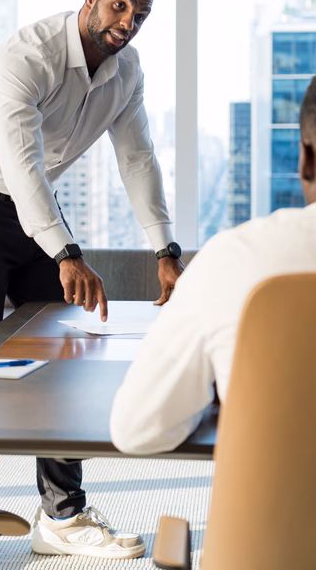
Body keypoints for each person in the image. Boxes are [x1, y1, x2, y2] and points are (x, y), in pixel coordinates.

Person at [0, 0, 184, 558]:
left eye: (140, 15)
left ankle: (62, 517)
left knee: (65, 351)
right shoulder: (25, 57)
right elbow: (22, 164)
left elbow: (137, 157)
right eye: (120, 4)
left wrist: (165, 249)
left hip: (37, 214)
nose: (128, 22)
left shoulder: (126, 71)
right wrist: (67, 252)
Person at [110, 77, 316, 456]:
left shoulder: (232, 259)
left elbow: (136, 430)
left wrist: (213, 385)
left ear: (306, 159)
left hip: (275, 496)